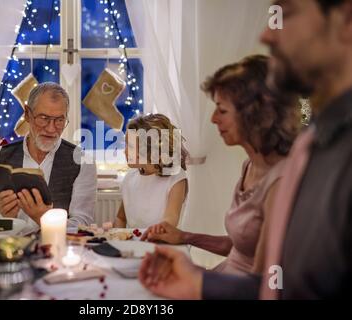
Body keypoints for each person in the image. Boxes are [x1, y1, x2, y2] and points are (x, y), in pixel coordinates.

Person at [139, 0, 352, 299]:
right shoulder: (312, 143)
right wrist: (190, 255)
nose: (266, 34)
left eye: (286, 12)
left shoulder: (296, 167)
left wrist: (200, 282)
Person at [142, 55, 300, 275]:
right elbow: (241, 250)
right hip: (225, 279)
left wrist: (194, 277)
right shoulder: (249, 166)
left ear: (254, 115)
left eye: (222, 110)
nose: (213, 119)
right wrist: (184, 237)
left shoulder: (281, 179)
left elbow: (264, 279)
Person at [0, 82, 97, 230]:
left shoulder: (83, 162)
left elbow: (82, 224)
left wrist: (45, 218)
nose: (51, 128)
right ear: (28, 114)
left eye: (59, 120)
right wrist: (2, 215)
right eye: (43, 118)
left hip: (58, 249)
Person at [114, 113, 189, 229]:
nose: (125, 151)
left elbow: (170, 221)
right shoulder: (130, 177)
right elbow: (121, 218)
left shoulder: (176, 178)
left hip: (163, 245)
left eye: (131, 146)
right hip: (133, 244)